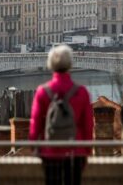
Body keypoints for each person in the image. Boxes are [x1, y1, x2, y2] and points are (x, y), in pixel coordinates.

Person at [30, 45, 94, 185]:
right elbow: (88, 125)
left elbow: (35, 123)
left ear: (50, 64)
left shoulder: (42, 91)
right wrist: (87, 150)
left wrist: (34, 146)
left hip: (50, 150)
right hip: (76, 151)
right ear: (70, 64)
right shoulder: (81, 92)